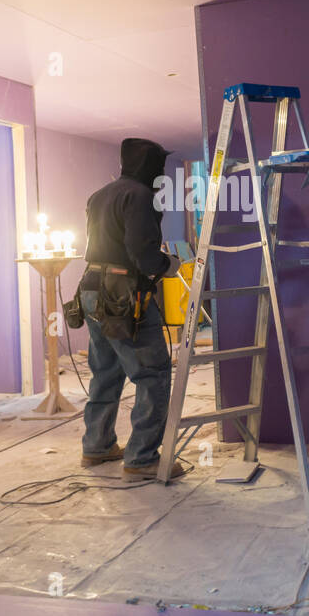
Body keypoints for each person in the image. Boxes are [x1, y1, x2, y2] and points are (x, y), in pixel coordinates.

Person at [76, 137, 186, 479]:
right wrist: (169, 265)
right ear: (148, 166)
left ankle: (97, 447)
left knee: (106, 371)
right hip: (123, 295)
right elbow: (144, 255)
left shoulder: (100, 195)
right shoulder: (140, 197)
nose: (161, 173)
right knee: (152, 374)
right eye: (158, 166)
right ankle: (141, 459)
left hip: (91, 288)